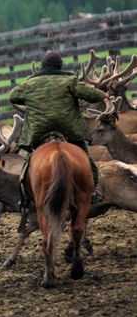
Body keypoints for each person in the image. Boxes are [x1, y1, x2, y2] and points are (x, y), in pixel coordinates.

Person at [8, 50, 107, 206]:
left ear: (42, 66)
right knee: (87, 160)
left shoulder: (29, 84)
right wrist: (104, 95)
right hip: (69, 129)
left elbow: (12, 96)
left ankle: (24, 196)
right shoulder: (70, 80)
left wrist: (32, 97)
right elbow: (94, 95)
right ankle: (92, 192)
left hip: (38, 131)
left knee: (28, 161)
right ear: (60, 66)